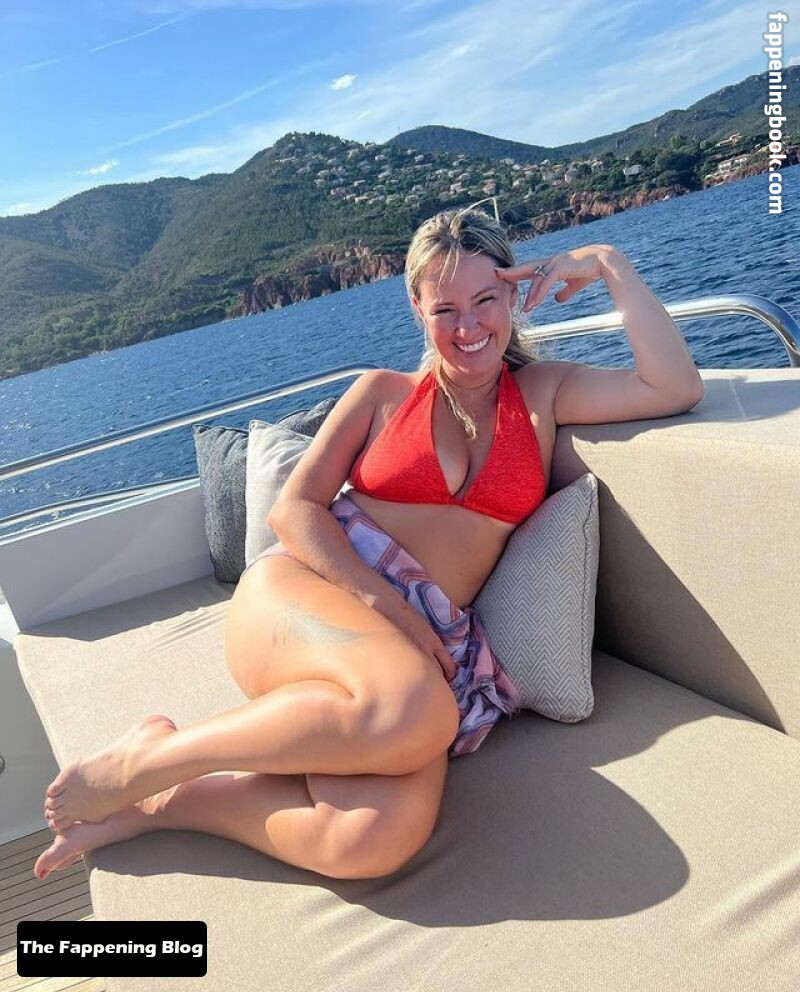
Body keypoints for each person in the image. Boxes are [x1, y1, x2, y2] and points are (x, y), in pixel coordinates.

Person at [35, 207, 704, 881]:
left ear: (512, 295)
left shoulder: (543, 393)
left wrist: (610, 263)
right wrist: (393, 608)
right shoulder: (383, 394)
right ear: (417, 309)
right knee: (419, 710)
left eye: (484, 300)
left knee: (369, 839)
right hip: (306, 593)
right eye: (445, 309)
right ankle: (146, 765)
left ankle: (162, 803)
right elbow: (295, 510)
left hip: (409, 647)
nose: (469, 327)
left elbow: (674, 386)